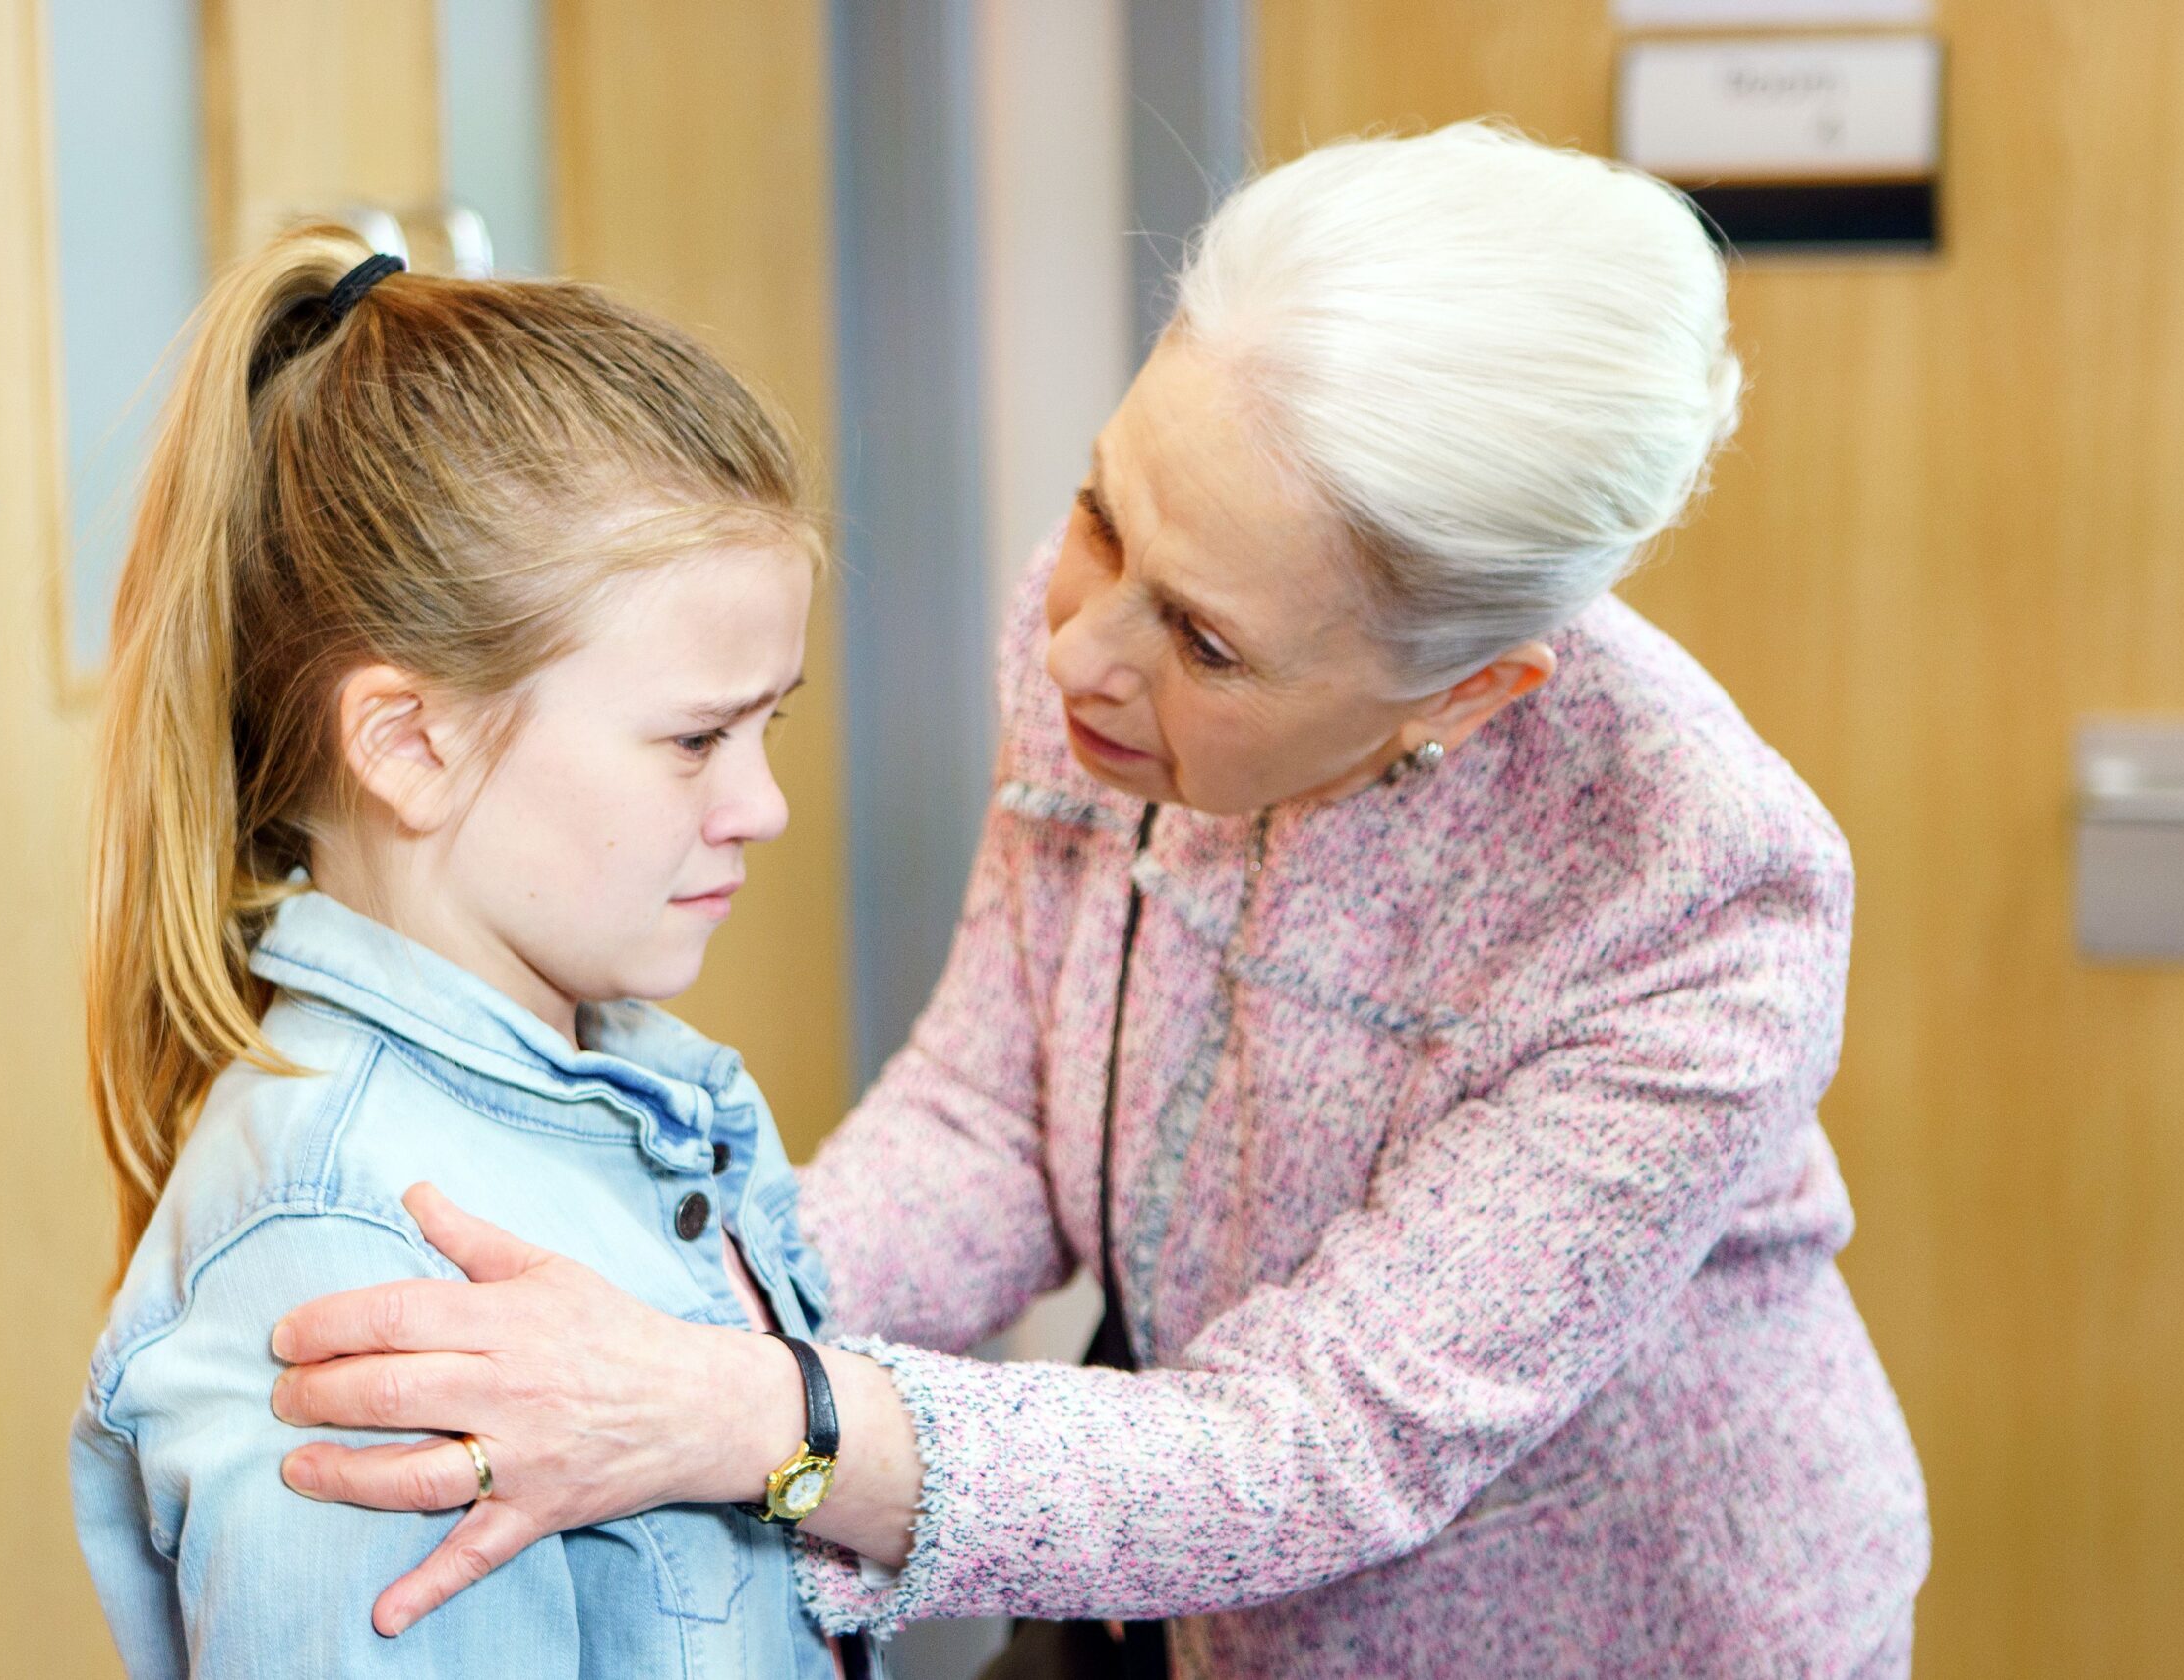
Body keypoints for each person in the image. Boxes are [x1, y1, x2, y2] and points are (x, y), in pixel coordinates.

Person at [269, 124, 1933, 1677]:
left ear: (1465, 695)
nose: (1075, 644)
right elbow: (1000, 1109)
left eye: (1208, 643)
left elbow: (1317, 1445)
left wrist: (745, 1407)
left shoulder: (1700, 893)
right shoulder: (1112, 630)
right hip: (1176, 1562)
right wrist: (674, 1331)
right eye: (1096, 510)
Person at [67, 227, 906, 1678]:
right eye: (696, 738)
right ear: (412, 743)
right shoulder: (351, 1254)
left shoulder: (632, 1088)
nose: (762, 805)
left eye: (770, 725)